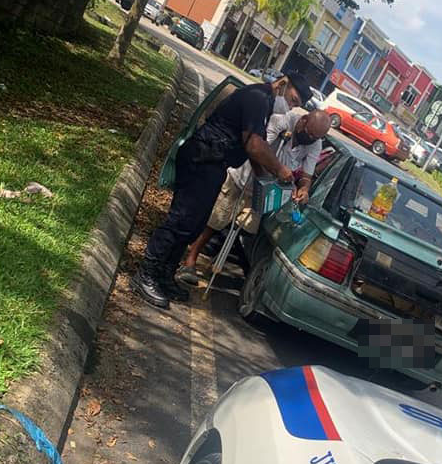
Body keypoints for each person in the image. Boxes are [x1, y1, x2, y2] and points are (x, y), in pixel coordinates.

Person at [133, 71, 312, 309]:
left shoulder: (265, 103)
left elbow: (251, 147)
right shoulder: (258, 97)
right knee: (180, 220)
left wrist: (263, 178)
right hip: (202, 158)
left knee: (193, 225)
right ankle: (145, 273)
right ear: (282, 84)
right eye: (293, 100)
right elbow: (255, 145)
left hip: (215, 164)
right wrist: (280, 169)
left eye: (296, 105)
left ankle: (165, 274)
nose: (290, 107)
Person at [178, 108, 331, 283]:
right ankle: (190, 259)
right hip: (243, 179)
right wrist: (276, 171)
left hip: (266, 190)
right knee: (216, 220)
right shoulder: (279, 122)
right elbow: (255, 150)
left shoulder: (315, 143)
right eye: (309, 134)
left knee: (243, 226)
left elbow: (307, 174)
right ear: (304, 120)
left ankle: (216, 263)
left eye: (315, 138)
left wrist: (304, 188)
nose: (310, 139)